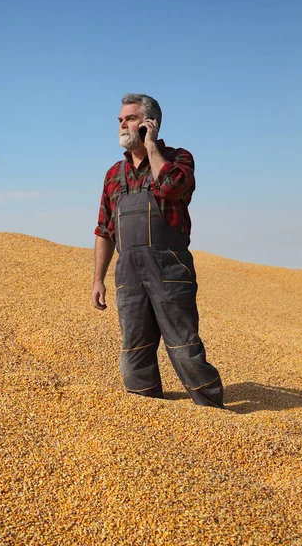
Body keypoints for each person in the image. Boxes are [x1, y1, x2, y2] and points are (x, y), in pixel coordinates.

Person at [91, 94, 224, 408]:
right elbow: (103, 230)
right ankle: (147, 411)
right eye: (120, 120)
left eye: (131, 119)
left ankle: (212, 409)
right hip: (128, 273)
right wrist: (98, 279)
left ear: (150, 123)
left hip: (169, 267)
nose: (123, 125)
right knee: (133, 352)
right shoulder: (113, 174)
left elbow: (170, 188)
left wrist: (150, 147)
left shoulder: (178, 158)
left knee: (183, 346)